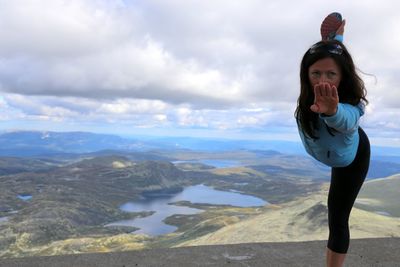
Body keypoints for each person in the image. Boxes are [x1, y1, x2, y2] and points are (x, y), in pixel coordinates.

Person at [294, 16, 370, 267]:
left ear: (342, 77)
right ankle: (332, 42)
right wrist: (335, 41)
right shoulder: (307, 97)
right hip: (333, 151)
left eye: (331, 74)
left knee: (337, 217)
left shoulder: (349, 108)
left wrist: (331, 112)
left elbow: (346, 120)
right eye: (316, 73)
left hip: (352, 155)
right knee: (331, 52)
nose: (323, 80)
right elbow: (332, 62)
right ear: (306, 74)